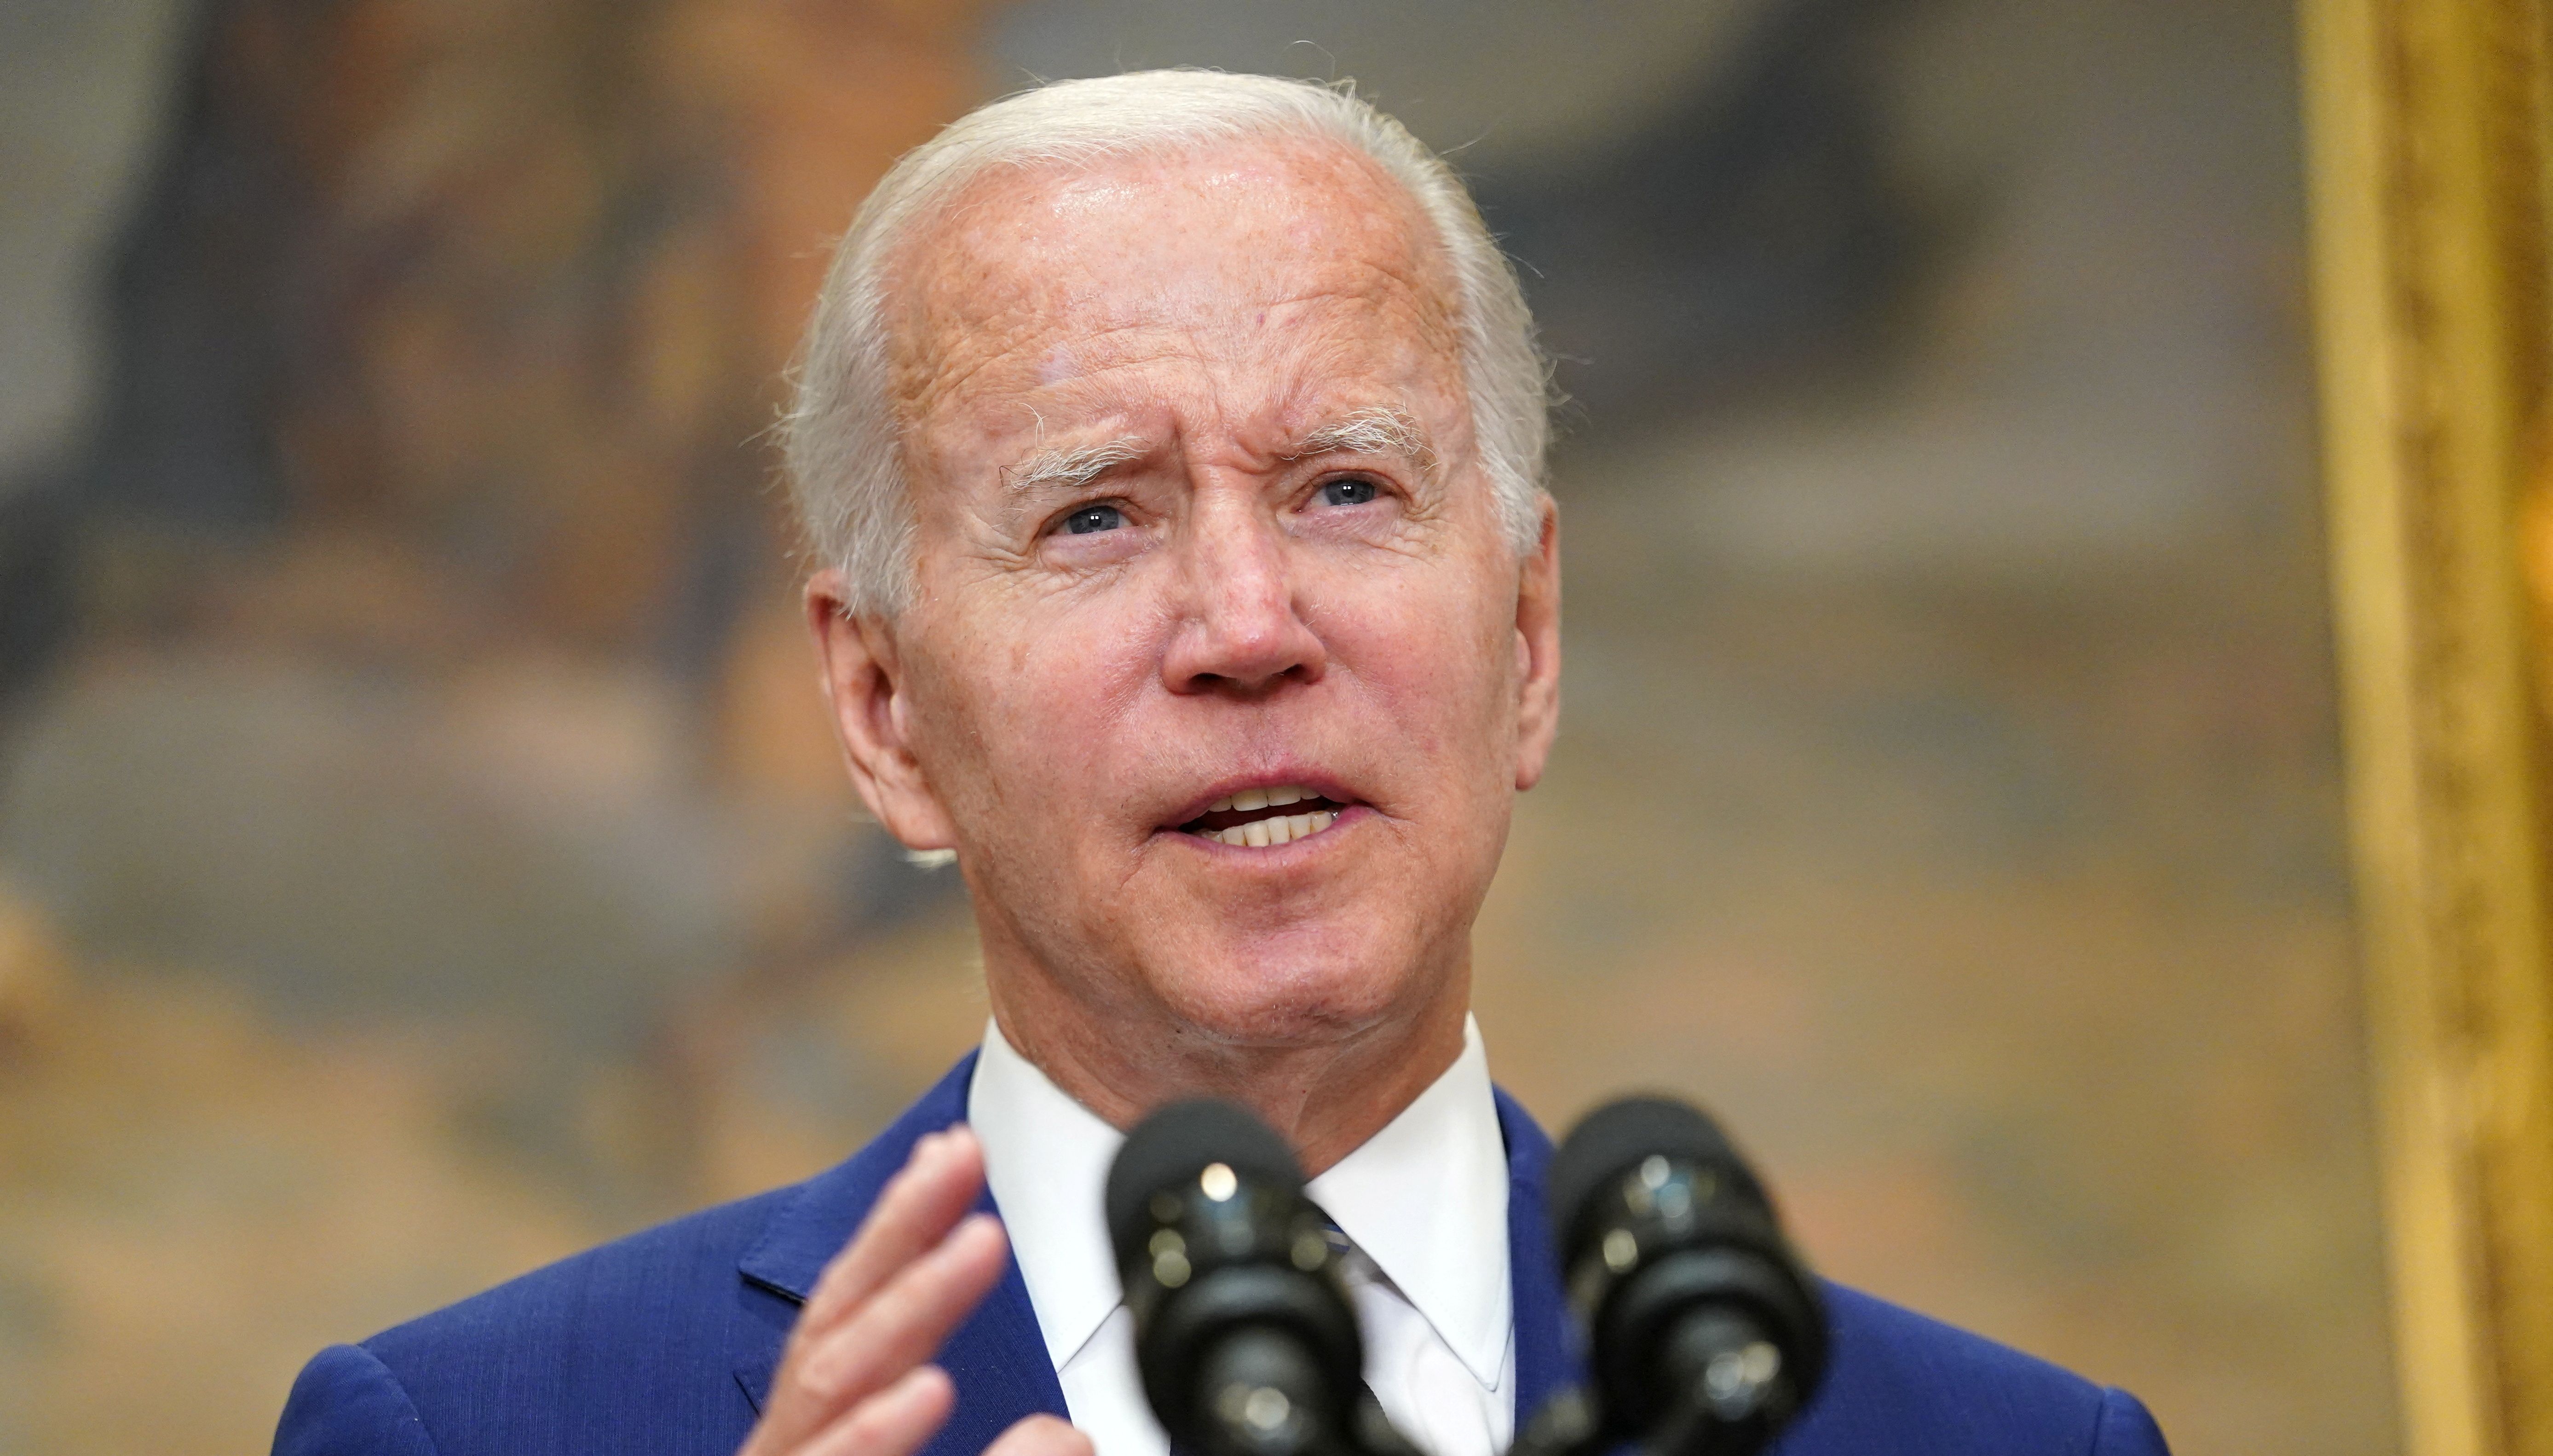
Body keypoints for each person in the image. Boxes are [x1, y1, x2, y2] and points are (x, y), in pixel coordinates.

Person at [271, 71, 2171, 1456]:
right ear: (882, 713)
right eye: (1095, 516)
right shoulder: (467, 1432)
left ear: (1521, 637)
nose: (1248, 624)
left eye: (1345, 489)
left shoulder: (2003, 1449)